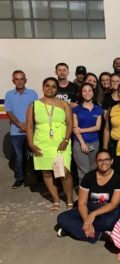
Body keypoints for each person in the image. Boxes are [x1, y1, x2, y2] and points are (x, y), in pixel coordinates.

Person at [26, 77, 74, 211]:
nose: (50, 88)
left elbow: (70, 123)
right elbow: (29, 126)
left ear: (57, 89)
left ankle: (69, 199)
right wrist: (30, 143)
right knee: (47, 172)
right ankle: (56, 199)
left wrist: (65, 140)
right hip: (42, 143)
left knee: (64, 172)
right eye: (47, 86)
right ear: (43, 87)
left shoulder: (64, 104)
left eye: (53, 86)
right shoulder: (34, 105)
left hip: (61, 144)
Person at [57, 150, 120, 243]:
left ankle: (72, 230)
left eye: (106, 159)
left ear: (111, 161)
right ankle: (99, 235)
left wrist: (93, 215)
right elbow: (82, 203)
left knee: (109, 222)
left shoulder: (119, 178)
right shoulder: (89, 177)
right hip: (89, 208)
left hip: (107, 211)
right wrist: (86, 220)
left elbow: (113, 203)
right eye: (100, 160)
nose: (103, 162)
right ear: (96, 162)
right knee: (62, 218)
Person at [5, 70, 39, 188]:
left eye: (21, 79)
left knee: (35, 154)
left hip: (31, 130)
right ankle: (20, 178)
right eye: (17, 79)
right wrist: (20, 125)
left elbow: (36, 110)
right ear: (13, 81)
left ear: (26, 80)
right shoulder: (9, 94)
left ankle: (37, 179)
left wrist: (28, 126)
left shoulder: (32, 93)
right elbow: (8, 112)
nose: (19, 81)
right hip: (16, 132)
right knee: (19, 157)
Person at [72, 83, 104, 183]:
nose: (87, 93)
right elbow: (75, 128)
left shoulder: (98, 109)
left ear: (93, 93)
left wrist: (82, 130)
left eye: (89, 90)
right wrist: (82, 143)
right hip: (79, 143)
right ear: (81, 93)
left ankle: (92, 193)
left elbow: (97, 127)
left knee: (93, 169)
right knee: (83, 171)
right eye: (84, 91)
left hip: (94, 142)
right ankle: (83, 195)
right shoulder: (76, 109)